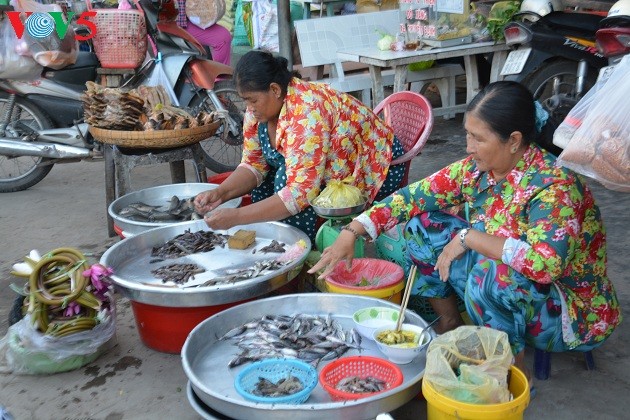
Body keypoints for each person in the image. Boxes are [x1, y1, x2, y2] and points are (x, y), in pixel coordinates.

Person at [309, 81, 622, 381]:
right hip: (515, 286)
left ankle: (509, 369)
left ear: (513, 140)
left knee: (493, 275)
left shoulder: (555, 187)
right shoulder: (477, 170)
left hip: (570, 311)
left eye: (478, 139)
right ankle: (449, 322)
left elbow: (544, 265)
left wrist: (468, 237)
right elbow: (413, 197)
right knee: (423, 227)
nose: (469, 147)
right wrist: (353, 230)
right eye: (467, 135)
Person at [194, 50, 406, 241]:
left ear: (275, 90)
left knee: (284, 180)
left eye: (252, 101)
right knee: (267, 182)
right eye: (245, 101)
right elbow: (253, 164)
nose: (249, 109)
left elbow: (300, 193)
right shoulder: (257, 110)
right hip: (318, 165)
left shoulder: (306, 113)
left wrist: (237, 217)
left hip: (376, 163)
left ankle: (302, 250)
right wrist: (220, 194)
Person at [176, 0, 232, 65]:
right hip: (173, 24)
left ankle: (220, 72)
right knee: (222, 37)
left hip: (187, 19)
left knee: (223, 37)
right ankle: (220, 74)